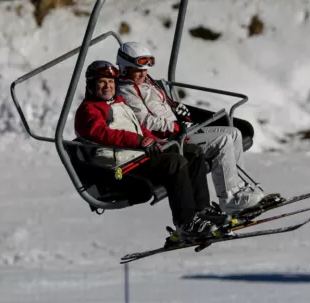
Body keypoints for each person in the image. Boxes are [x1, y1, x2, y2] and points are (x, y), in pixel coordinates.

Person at [114, 42, 273, 217]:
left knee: (234, 133)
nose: (143, 73)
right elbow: (145, 122)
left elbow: (160, 108)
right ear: (124, 68)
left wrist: (177, 110)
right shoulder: (125, 92)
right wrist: (176, 126)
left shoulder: (147, 83)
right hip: (170, 140)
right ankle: (229, 199)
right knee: (222, 140)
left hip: (180, 131)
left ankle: (239, 190)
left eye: (145, 69)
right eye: (138, 70)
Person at [74, 60, 217, 242]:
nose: (107, 86)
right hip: (120, 168)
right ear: (91, 84)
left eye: (110, 82)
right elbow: (102, 134)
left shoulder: (119, 102)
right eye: (102, 82)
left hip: (136, 157)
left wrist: (154, 140)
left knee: (192, 152)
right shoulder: (89, 110)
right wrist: (138, 141)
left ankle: (202, 211)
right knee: (174, 163)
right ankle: (186, 223)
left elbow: (138, 127)